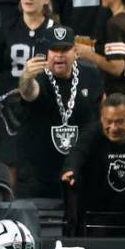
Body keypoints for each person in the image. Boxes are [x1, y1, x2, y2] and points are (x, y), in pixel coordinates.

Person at [0, 0, 55, 188]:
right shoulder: (4, 31)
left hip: (44, 107)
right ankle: (12, 215)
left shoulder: (57, 32)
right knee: (10, 165)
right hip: (10, 110)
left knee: (43, 163)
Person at [17, 24, 105, 199]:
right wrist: (26, 77)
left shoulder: (91, 74)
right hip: (40, 175)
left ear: (75, 52)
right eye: (54, 49)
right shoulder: (39, 77)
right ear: (46, 53)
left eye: (65, 49)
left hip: (80, 171)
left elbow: (102, 107)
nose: (59, 55)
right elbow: (28, 93)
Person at [61, 92, 125, 236]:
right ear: (102, 118)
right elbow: (77, 153)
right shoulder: (92, 133)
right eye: (108, 121)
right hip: (99, 209)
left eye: (119, 121)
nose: (113, 128)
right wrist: (70, 170)